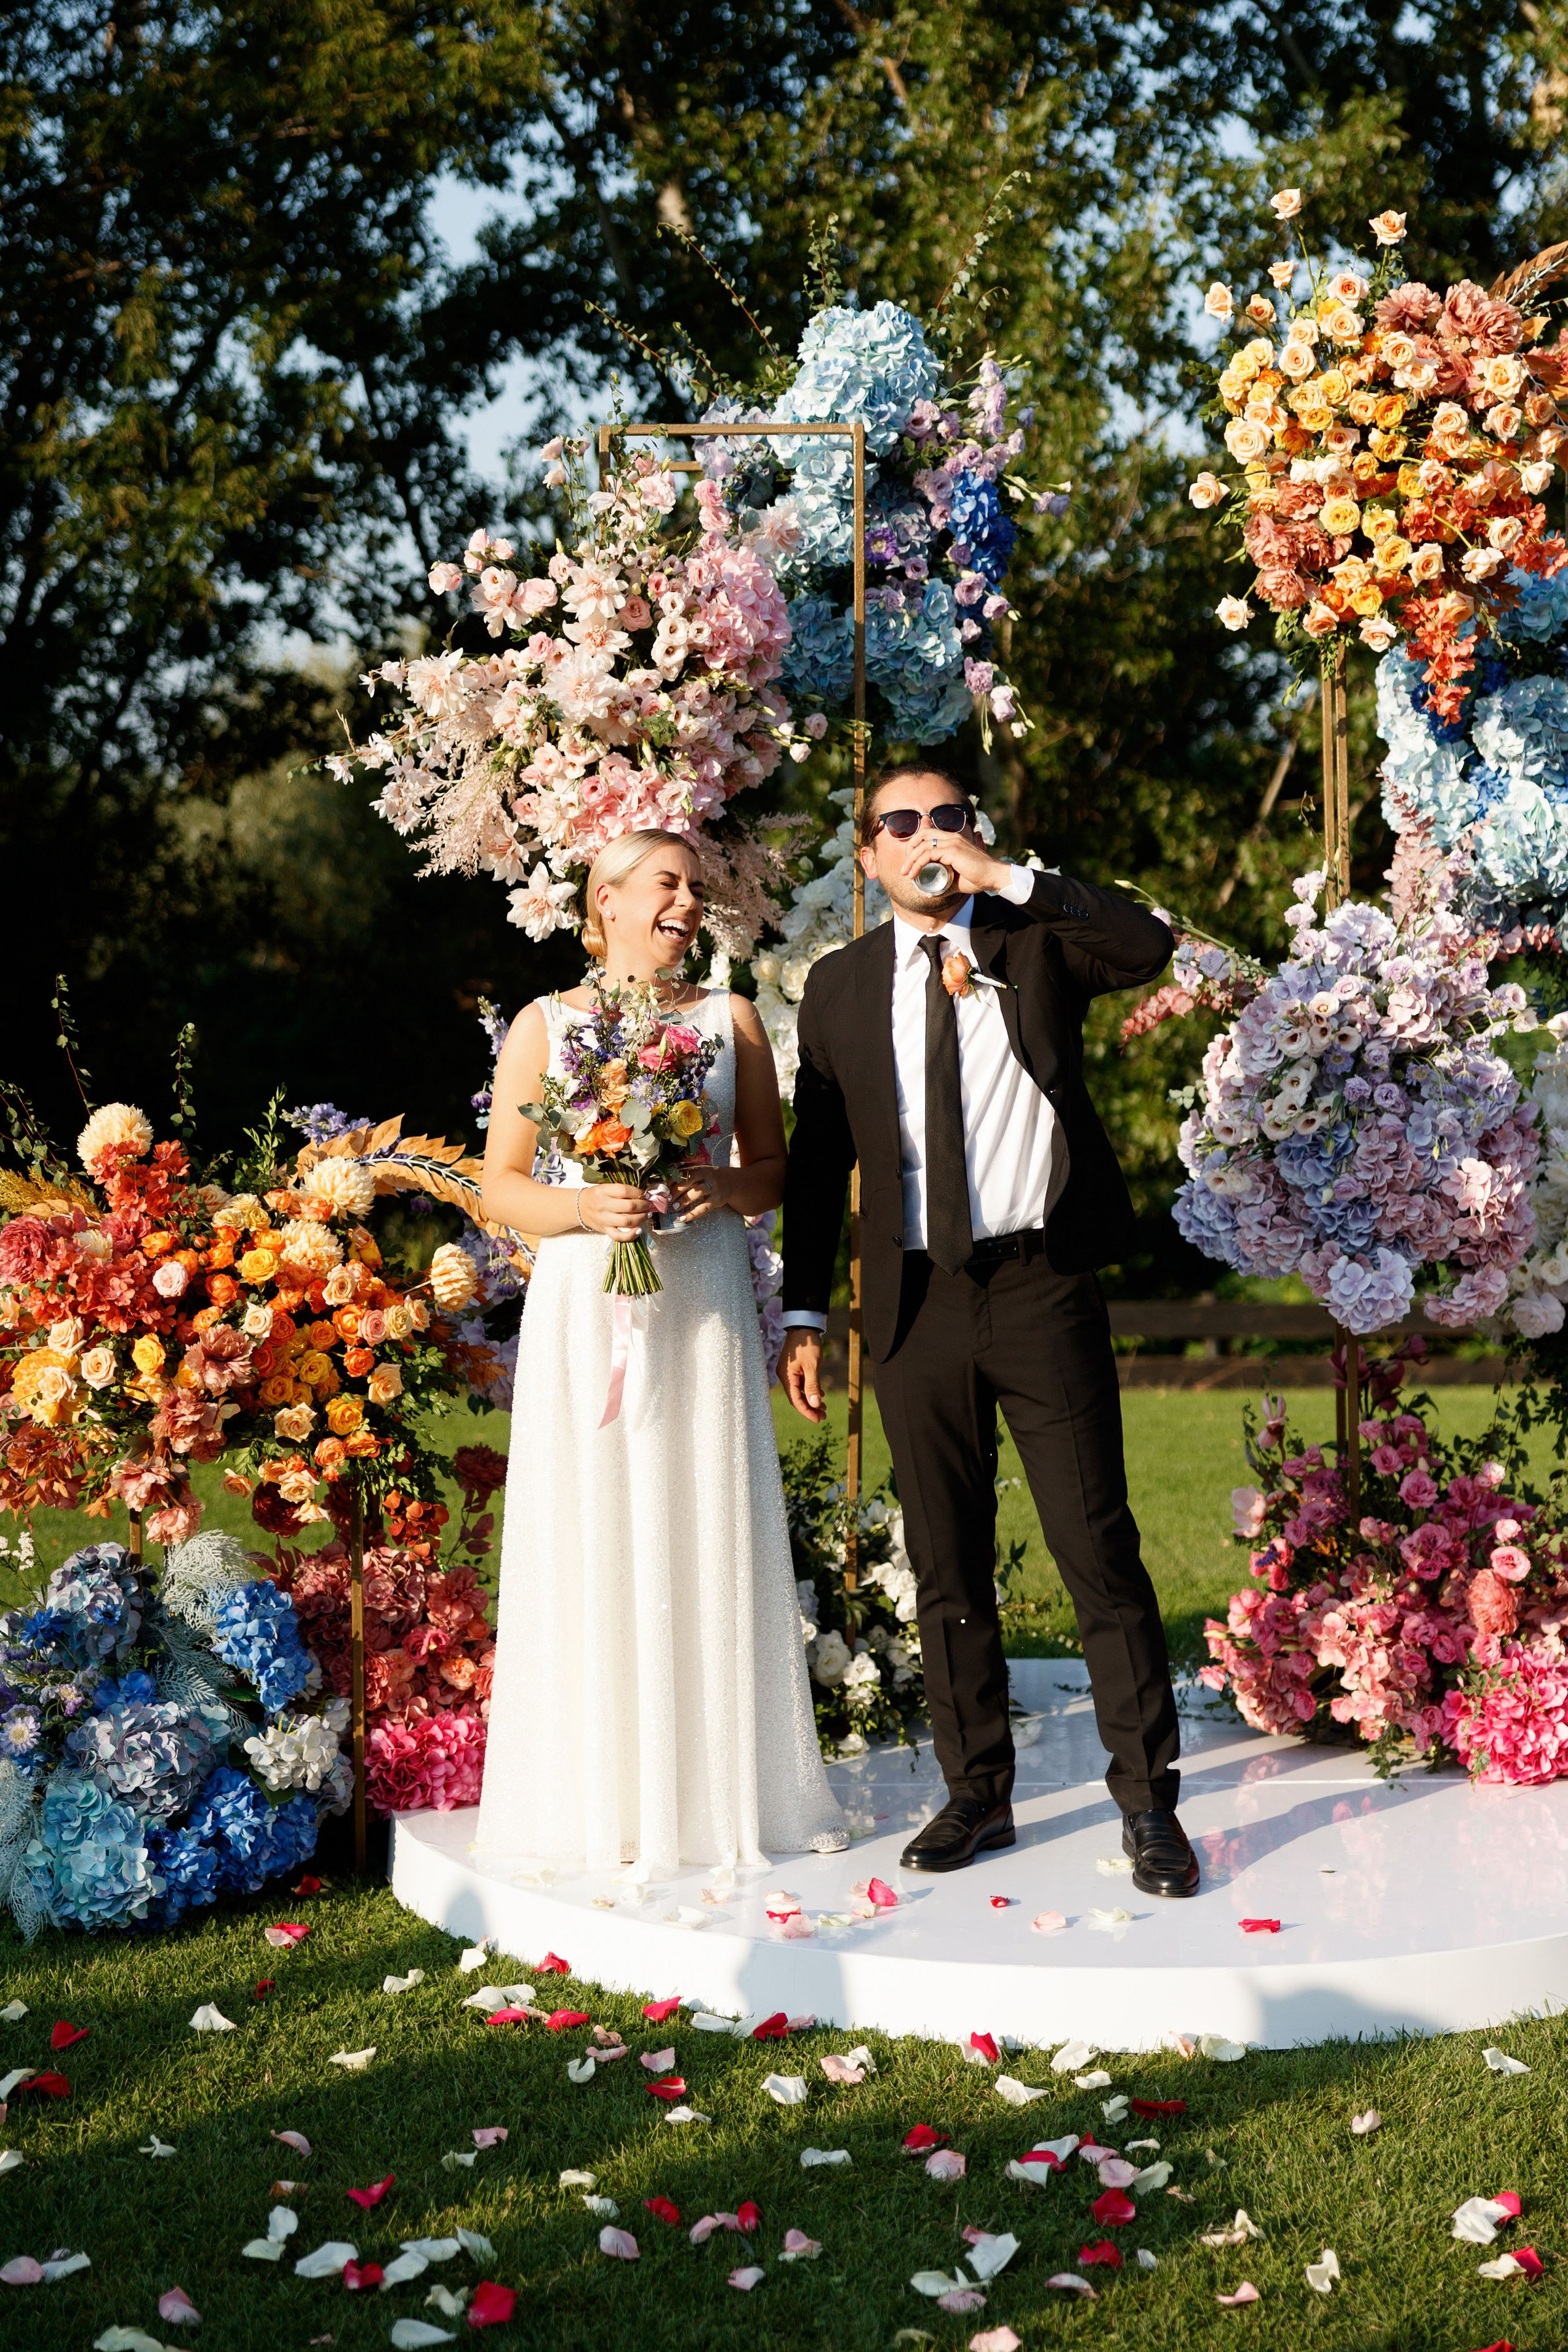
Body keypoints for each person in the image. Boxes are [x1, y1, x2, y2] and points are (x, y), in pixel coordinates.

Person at [780, 762, 1198, 1898]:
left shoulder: (1035, 936)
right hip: (913, 1302)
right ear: (868, 855)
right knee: (943, 1555)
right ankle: (978, 1793)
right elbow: (819, 1165)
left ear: (974, 832)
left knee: (1095, 1545)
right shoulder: (837, 986)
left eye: (946, 818)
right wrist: (807, 1308)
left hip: (1040, 1282)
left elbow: (1148, 946)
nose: (925, 834)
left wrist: (1007, 877)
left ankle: (1149, 1805)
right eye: (899, 822)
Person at [476, 828, 845, 1872]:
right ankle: (600, 1800)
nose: (689, 904)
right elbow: (499, 1183)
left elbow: (773, 1167)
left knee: (701, 1512)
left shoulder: (732, 1022)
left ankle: (717, 1796)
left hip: (702, 1299)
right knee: (595, 1522)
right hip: (589, 1302)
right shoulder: (543, 1028)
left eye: (697, 890)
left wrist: (720, 1188)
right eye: (667, 885)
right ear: (607, 902)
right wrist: (584, 1204)